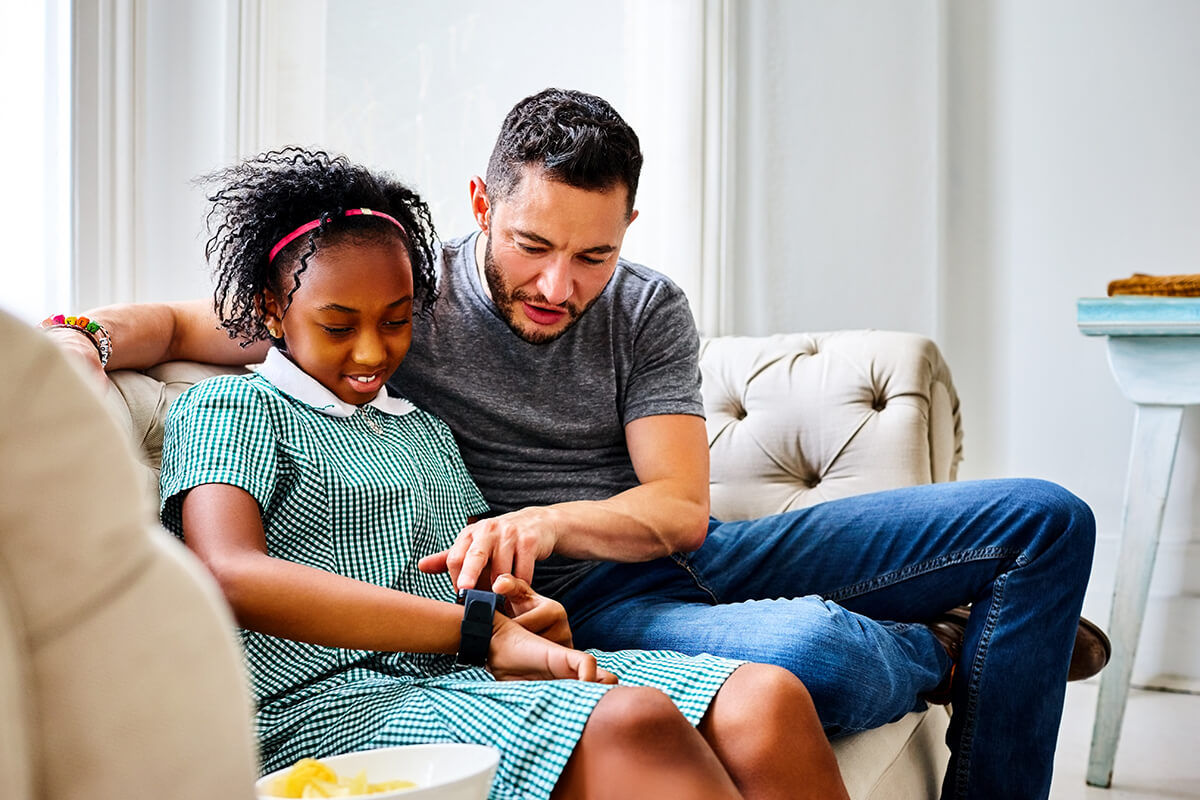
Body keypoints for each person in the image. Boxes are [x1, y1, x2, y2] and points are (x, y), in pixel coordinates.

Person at [47, 89, 1107, 800]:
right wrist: (84, 338)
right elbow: (226, 336)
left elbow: (675, 509)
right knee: (809, 657)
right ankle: (944, 646)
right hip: (470, 642)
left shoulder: (587, 334)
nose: (561, 285)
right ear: (482, 208)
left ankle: (972, 653)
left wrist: (527, 562)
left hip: (656, 551)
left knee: (1039, 524)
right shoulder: (356, 325)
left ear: (631, 228)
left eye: (594, 253)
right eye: (535, 246)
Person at [151, 146, 849, 800]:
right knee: (631, 720)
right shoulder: (231, 407)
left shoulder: (422, 430)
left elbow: (479, 586)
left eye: (396, 322)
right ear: (273, 309)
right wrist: (478, 630)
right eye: (338, 325)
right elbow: (230, 574)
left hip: (464, 674)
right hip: (328, 706)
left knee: (768, 697)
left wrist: (527, 612)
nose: (372, 350)